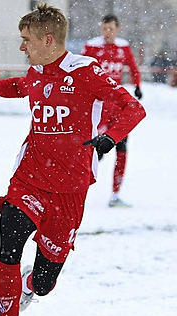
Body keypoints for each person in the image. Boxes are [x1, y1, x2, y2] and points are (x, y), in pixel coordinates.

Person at [0, 3, 145, 316]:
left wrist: (109, 137)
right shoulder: (36, 71)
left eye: (26, 40)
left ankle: (34, 285)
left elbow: (132, 108)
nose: (21, 47)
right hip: (29, 178)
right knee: (9, 246)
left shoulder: (86, 72)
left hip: (70, 189)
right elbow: (22, 85)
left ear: (48, 40)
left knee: (45, 281)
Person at [82, 14, 143, 208]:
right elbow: (80, 70)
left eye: (110, 29)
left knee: (122, 149)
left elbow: (133, 68)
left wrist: (138, 86)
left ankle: (115, 195)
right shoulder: (92, 47)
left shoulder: (123, 47)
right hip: (99, 107)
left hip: (118, 108)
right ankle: (75, 186)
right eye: (104, 29)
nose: (107, 33)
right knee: (93, 150)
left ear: (118, 29)